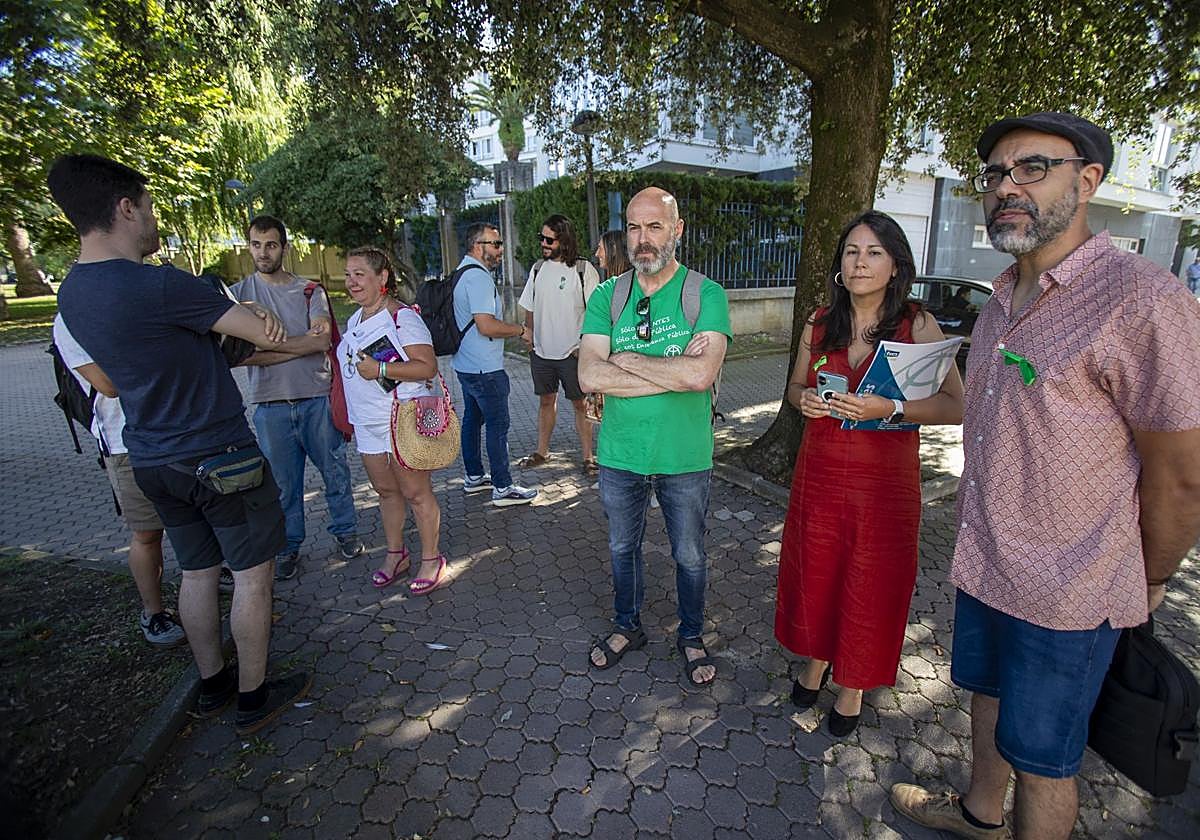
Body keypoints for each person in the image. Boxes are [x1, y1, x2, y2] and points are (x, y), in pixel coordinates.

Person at [890, 112, 1200, 840]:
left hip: (1070, 591)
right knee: (987, 700)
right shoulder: (1000, 300)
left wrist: (1147, 576)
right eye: (996, 175)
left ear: (1087, 180)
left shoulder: (1142, 300)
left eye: (1033, 168)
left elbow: (1182, 478)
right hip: (986, 563)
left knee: (1047, 761)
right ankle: (977, 813)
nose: (1007, 188)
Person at [49, 153, 310, 736]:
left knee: (195, 572)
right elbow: (257, 327)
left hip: (150, 456)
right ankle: (253, 697)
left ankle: (212, 683)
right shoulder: (161, 284)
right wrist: (241, 313)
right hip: (220, 454)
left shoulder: (72, 294)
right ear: (124, 207)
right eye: (146, 207)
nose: (151, 217)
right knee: (251, 576)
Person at [775, 211, 964, 737]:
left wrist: (892, 409)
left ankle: (853, 682)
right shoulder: (819, 320)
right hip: (821, 469)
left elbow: (956, 405)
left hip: (884, 482)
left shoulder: (917, 323)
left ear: (895, 263)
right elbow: (792, 390)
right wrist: (806, 400)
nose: (860, 262)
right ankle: (816, 658)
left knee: (869, 579)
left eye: (873, 252)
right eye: (852, 251)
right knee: (819, 569)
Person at [579, 187, 731, 687]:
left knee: (689, 553)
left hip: (684, 457)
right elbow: (589, 377)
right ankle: (628, 626)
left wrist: (628, 364)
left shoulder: (704, 294)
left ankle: (691, 634)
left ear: (677, 230)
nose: (643, 240)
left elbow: (700, 378)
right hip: (620, 454)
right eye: (635, 228)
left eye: (655, 227)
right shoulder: (607, 295)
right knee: (623, 548)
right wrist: (674, 367)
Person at [231, 215, 363, 581]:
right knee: (283, 486)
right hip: (270, 406)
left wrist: (272, 345)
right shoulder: (237, 295)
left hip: (316, 400)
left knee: (335, 473)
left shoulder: (310, 291)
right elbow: (238, 355)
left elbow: (321, 341)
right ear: (248, 246)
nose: (263, 252)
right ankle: (289, 547)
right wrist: (297, 346)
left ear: (283, 247)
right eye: (256, 245)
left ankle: (346, 533)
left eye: (270, 244)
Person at [52, 314, 186, 647]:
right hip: (126, 443)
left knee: (195, 521)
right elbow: (107, 384)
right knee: (146, 532)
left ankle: (204, 579)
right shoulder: (71, 316)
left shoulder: (143, 293)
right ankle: (153, 612)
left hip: (180, 432)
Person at [337, 247, 447, 595]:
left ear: (382, 277)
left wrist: (382, 369)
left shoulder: (403, 318)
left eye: (359, 274)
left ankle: (431, 560)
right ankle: (396, 555)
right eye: (348, 274)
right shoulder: (355, 320)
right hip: (368, 423)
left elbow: (427, 367)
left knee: (416, 493)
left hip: (402, 420)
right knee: (385, 492)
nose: (351, 281)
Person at [452, 223, 538, 506]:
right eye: (496, 244)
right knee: (497, 426)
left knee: (472, 421)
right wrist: (521, 330)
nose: (502, 249)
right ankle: (503, 487)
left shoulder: (461, 272)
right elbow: (486, 326)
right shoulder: (478, 278)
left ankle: (474, 477)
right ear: (479, 246)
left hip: (466, 364)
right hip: (484, 369)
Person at [516, 214, 601, 474]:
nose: (543, 242)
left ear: (563, 240)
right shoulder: (537, 268)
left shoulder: (583, 270)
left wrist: (583, 346)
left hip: (572, 353)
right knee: (545, 401)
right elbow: (529, 305)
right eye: (541, 237)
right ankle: (542, 451)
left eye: (548, 239)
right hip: (541, 353)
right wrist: (529, 337)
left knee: (580, 405)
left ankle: (588, 457)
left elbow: (597, 313)